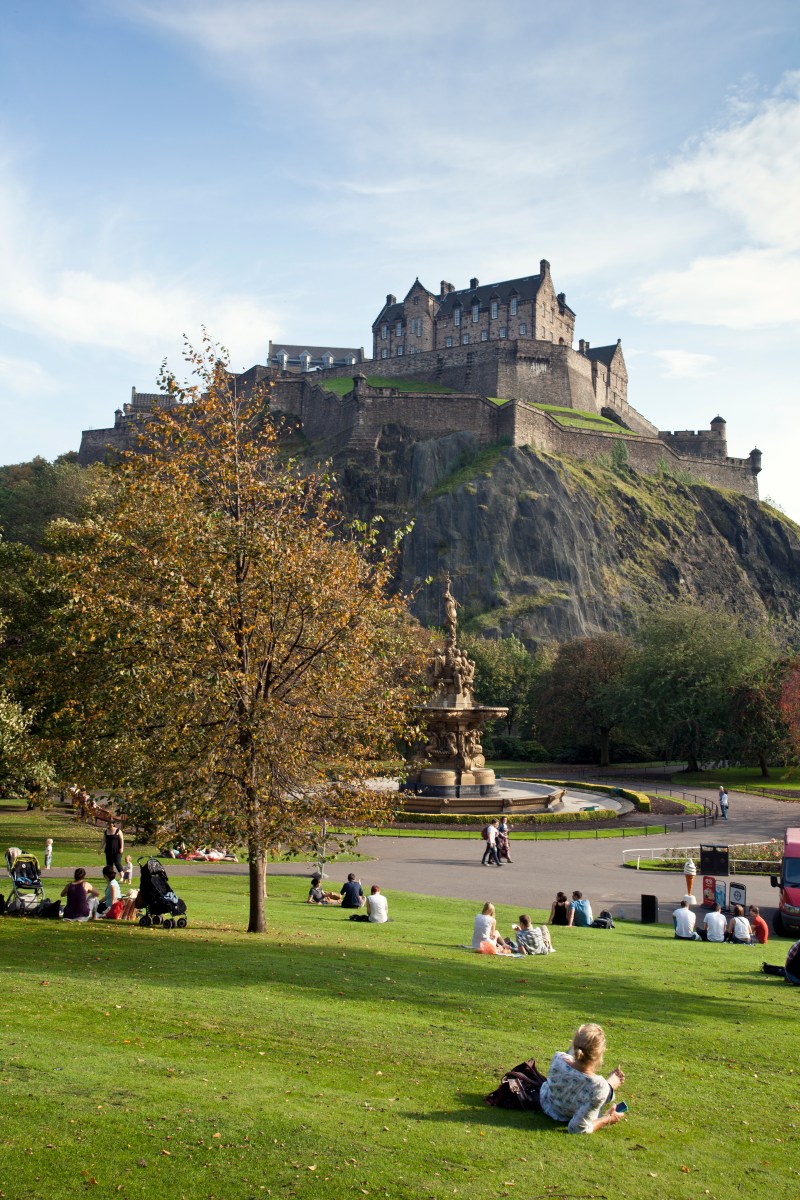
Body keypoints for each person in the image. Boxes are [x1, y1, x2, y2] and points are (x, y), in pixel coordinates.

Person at [539, 1023, 626, 1134]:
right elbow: (578, 1128)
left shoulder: (558, 1058)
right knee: (601, 1089)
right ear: (600, 1054)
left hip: (547, 1104)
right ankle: (610, 1087)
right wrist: (608, 1118)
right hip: (574, 1111)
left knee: (598, 1088)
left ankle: (609, 1087)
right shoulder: (599, 1087)